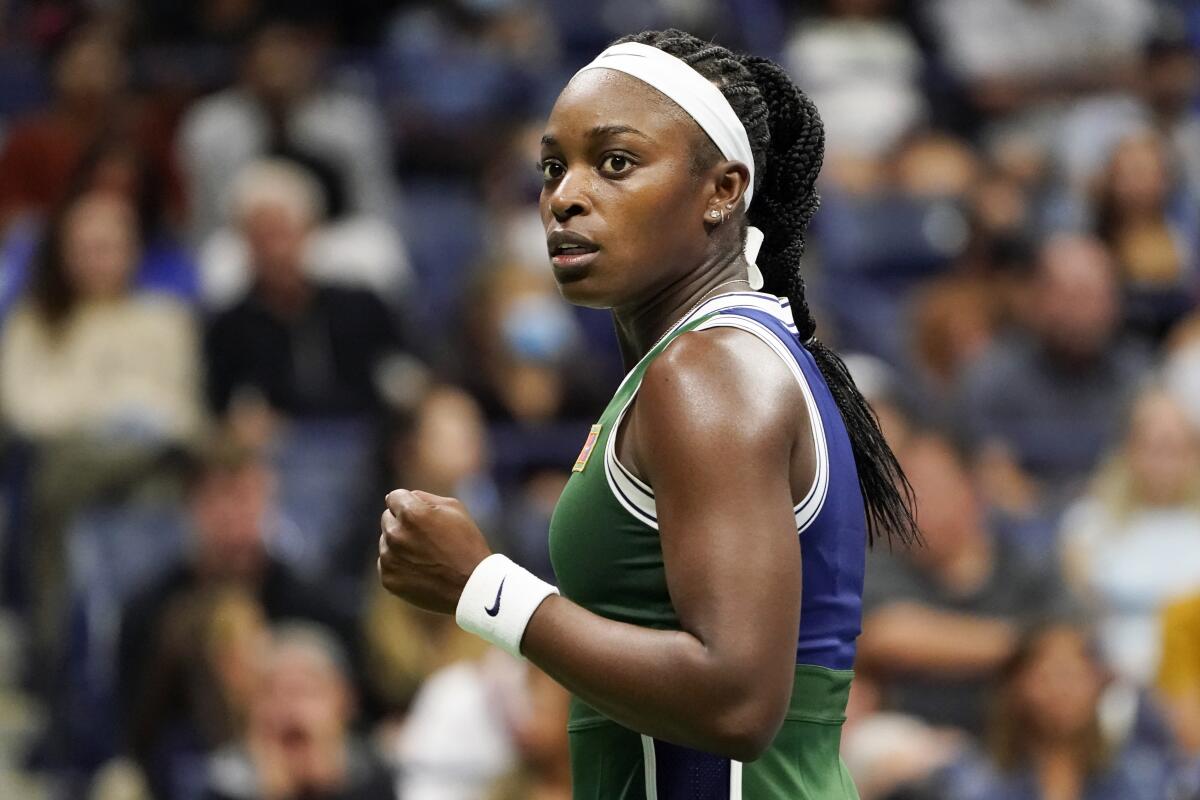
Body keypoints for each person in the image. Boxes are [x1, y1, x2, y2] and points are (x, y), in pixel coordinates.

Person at [377, 28, 919, 798]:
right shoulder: (703, 362)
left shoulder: (709, 371)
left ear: (724, 191)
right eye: (554, 167)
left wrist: (483, 587)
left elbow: (737, 701)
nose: (566, 195)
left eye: (617, 162)